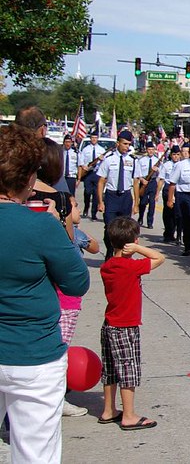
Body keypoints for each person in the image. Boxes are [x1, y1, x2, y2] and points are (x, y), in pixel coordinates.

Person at [0, 124, 90, 461]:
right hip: (33, 355)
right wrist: (56, 229)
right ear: (26, 178)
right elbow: (76, 282)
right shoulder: (39, 224)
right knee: (35, 453)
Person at [30, 138, 98, 418]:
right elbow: (67, 252)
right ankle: (52, 401)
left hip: (22, 287)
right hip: (52, 287)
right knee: (55, 347)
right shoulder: (56, 200)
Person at [98, 217, 164, 431]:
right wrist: (138, 248)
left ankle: (109, 410)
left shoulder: (108, 266)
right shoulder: (131, 267)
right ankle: (129, 414)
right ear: (133, 241)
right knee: (128, 369)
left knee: (110, 369)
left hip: (109, 323)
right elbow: (159, 258)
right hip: (126, 325)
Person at [96, 130, 138, 260]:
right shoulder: (109, 160)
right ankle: (110, 250)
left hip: (125, 197)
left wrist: (136, 203)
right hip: (111, 196)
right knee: (110, 227)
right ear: (118, 143)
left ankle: (122, 256)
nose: (126, 147)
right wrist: (100, 202)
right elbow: (101, 181)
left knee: (125, 229)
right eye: (124, 144)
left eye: (129, 144)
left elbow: (136, 182)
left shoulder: (132, 161)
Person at [168, 142, 190, 258]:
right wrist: (169, 199)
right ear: (189, 153)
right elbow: (172, 183)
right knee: (188, 220)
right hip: (185, 195)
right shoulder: (181, 165)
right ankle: (188, 246)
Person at [156, 145, 182, 243]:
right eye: (174, 154)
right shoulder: (167, 165)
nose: (176, 156)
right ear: (171, 155)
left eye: (178, 154)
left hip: (178, 189)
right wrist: (157, 193)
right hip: (168, 189)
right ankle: (168, 234)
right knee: (168, 213)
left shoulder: (182, 164)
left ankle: (176, 234)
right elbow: (161, 179)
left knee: (177, 213)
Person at [133, 142, 160, 230]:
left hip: (152, 182)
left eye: (152, 149)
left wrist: (157, 170)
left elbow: (161, 174)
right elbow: (138, 173)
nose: (151, 151)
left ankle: (150, 222)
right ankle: (140, 218)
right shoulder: (141, 160)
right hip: (144, 181)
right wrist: (142, 180)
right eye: (149, 149)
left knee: (152, 204)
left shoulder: (157, 160)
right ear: (146, 150)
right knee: (143, 202)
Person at [79, 131, 106, 220]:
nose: (94, 139)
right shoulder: (85, 149)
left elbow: (105, 163)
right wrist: (84, 166)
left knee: (96, 194)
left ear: (98, 138)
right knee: (87, 192)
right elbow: (81, 161)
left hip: (97, 173)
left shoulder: (102, 150)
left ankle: (94, 213)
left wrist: (101, 160)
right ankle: (86, 208)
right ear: (90, 138)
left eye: (95, 138)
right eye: (92, 138)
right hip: (88, 174)